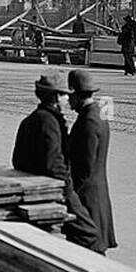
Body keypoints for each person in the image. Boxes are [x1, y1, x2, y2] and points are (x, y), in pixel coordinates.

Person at [12, 72, 99, 246]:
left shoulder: (35, 118)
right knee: (89, 232)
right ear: (56, 97)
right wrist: (69, 192)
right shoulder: (49, 122)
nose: (68, 99)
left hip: (36, 187)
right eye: (65, 94)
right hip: (54, 189)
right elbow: (54, 164)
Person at [65, 69, 117, 254]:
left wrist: (71, 199)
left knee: (90, 254)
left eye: (69, 97)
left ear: (76, 95)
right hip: (96, 194)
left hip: (88, 200)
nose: (68, 102)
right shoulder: (97, 115)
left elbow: (83, 168)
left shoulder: (88, 122)